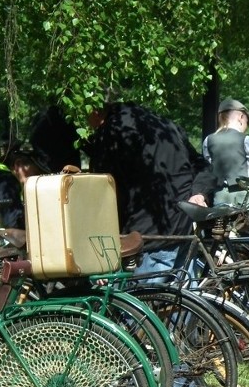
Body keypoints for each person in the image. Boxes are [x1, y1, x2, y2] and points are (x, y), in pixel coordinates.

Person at [86, 101, 215, 276]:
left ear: (95, 112)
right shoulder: (165, 125)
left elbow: (103, 189)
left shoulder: (114, 131)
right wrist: (199, 193)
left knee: (140, 301)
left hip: (146, 238)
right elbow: (202, 165)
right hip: (181, 230)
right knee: (182, 299)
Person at [202, 98, 249, 206]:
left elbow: (208, 172)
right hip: (244, 198)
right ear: (241, 117)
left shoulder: (208, 141)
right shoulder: (247, 140)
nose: (247, 125)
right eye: (247, 121)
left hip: (219, 197)